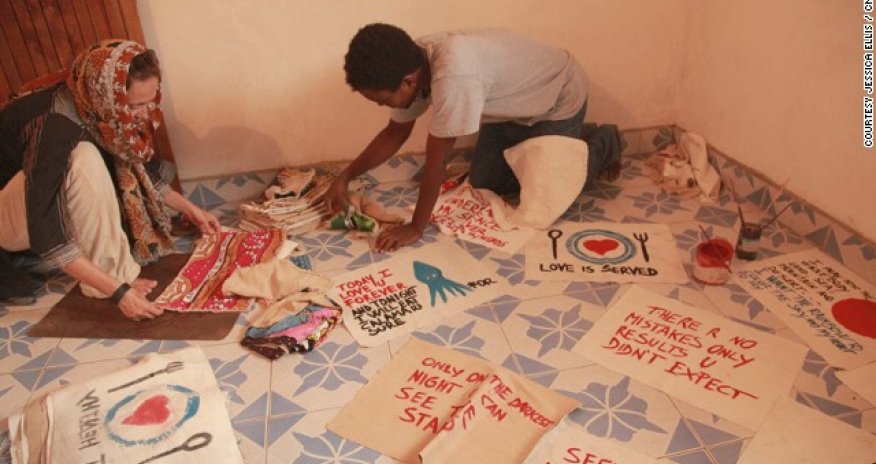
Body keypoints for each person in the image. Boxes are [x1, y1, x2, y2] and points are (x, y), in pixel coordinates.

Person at [324, 23, 594, 253]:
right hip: (510, 111)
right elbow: (395, 132)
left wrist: (416, 227)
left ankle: (599, 143)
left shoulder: (454, 76)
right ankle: (533, 145)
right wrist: (345, 176)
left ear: (408, 82)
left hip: (556, 98)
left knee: (542, 201)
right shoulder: (413, 61)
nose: (383, 107)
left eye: (383, 101)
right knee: (486, 181)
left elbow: (437, 160)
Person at [0, 39, 220, 320]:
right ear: (109, 96)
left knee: (94, 152)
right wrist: (118, 291)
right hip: (9, 220)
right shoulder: (54, 127)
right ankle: (106, 281)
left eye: (149, 101)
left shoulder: (91, 101)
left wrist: (190, 209)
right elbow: (44, 229)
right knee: (84, 157)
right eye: (136, 105)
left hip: (32, 200)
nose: (144, 113)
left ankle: (115, 275)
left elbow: (136, 166)